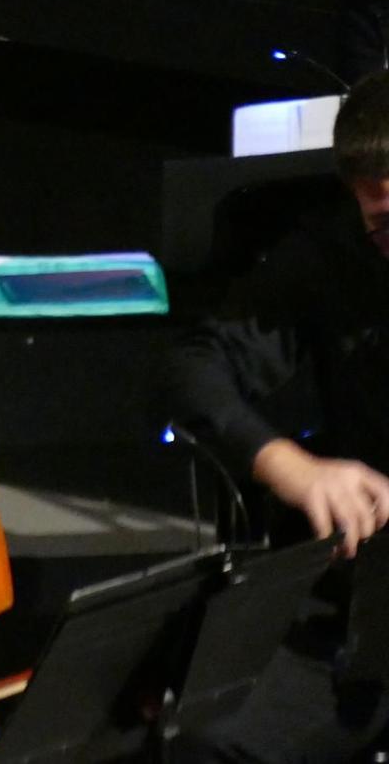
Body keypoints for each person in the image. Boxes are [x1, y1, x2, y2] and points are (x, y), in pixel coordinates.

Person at [161, 69, 389, 763]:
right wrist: (288, 464)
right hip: (372, 625)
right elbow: (191, 369)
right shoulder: (331, 256)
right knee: (205, 745)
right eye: (384, 226)